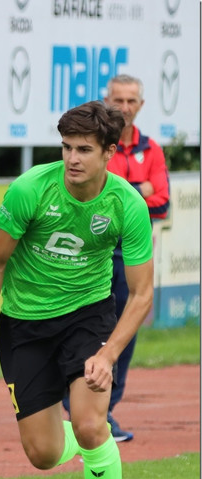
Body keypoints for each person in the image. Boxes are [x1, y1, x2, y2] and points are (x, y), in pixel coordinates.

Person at [0, 100, 153, 479]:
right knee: (43, 454)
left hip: (87, 316)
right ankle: (80, 437)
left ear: (109, 152)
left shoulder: (127, 205)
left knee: (90, 426)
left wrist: (108, 354)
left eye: (84, 149)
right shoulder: (30, 189)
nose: (72, 158)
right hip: (24, 324)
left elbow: (141, 293)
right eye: (67, 147)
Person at [99, 74, 170, 442]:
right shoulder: (96, 145)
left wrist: (125, 197)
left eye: (131, 101)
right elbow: (96, 200)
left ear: (140, 105)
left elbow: (163, 203)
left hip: (135, 254)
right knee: (88, 327)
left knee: (126, 330)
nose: (124, 108)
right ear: (106, 101)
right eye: (118, 100)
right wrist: (141, 189)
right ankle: (76, 403)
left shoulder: (151, 149)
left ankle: (106, 410)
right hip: (97, 252)